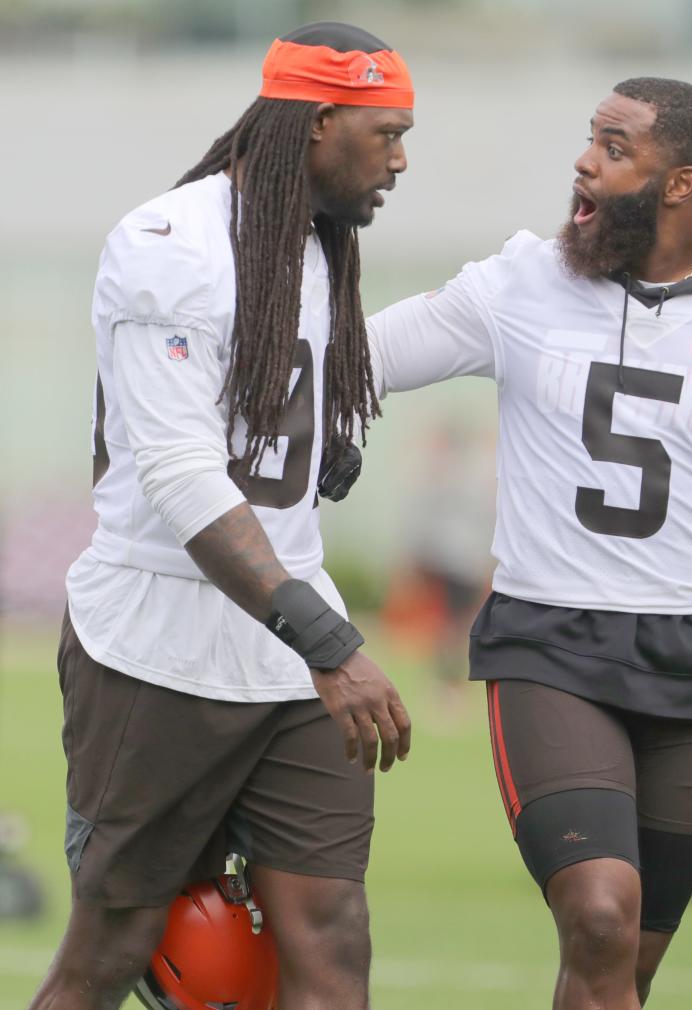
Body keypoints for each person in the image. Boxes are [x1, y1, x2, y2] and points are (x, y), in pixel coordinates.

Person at [367, 77, 692, 1009]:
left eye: (615, 148)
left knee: (626, 969)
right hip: (551, 642)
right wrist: (332, 422)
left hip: (690, 661)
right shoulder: (520, 283)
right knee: (599, 914)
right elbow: (358, 354)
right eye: (591, 138)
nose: (584, 161)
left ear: (680, 184)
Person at [31, 22, 414, 1010]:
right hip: (160, 647)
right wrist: (330, 641)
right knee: (113, 944)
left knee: (333, 936)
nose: (402, 161)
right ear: (319, 122)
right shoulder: (170, 243)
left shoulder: (317, 245)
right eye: (388, 134)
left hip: (284, 665)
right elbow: (181, 474)